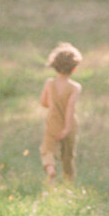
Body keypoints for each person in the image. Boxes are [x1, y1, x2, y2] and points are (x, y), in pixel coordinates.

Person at [39, 42, 82, 184]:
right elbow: (70, 108)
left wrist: (54, 105)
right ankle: (69, 181)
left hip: (53, 123)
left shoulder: (49, 83)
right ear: (74, 69)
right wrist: (67, 128)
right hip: (69, 126)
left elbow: (43, 102)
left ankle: (50, 169)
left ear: (54, 66)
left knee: (48, 149)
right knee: (67, 156)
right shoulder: (75, 87)